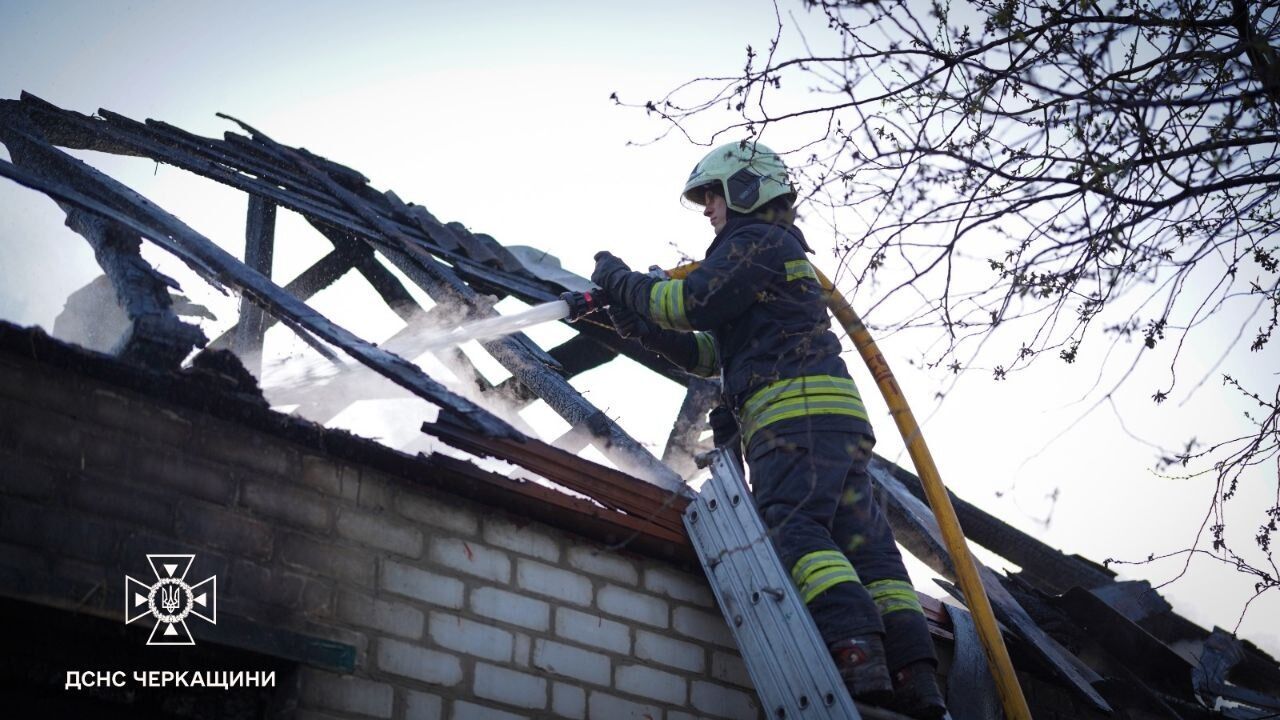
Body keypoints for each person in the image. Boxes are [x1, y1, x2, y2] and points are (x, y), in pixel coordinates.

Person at [590, 141, 946, 718]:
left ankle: (855, 652)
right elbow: (709, 353)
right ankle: (916, 675)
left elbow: (691, 301)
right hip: (834, 423)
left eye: (712, 196)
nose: (708, 210)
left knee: (796, 529)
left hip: (790, 417)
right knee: (869, 550)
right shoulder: (771, 255)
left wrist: (621, 281)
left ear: (745, 189)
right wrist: (637, 322)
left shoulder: (756, 241)